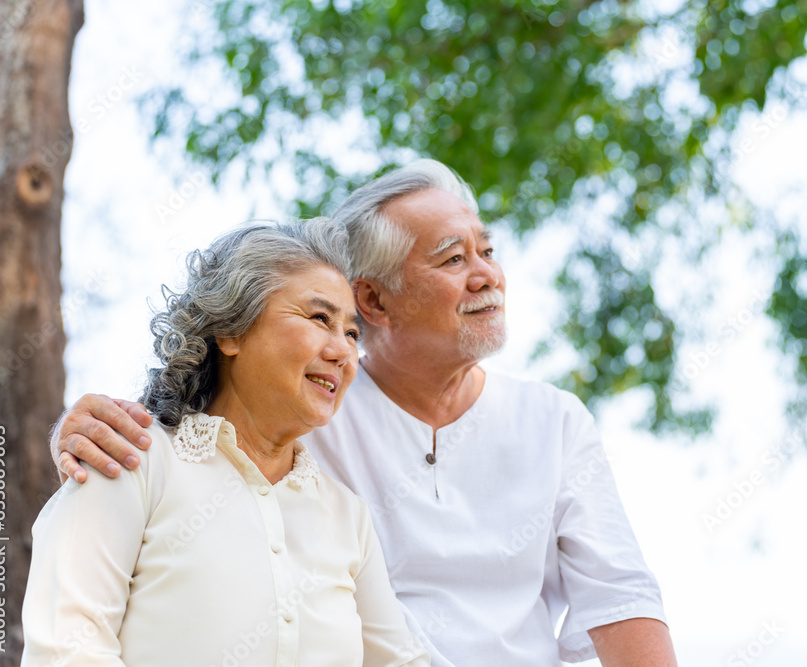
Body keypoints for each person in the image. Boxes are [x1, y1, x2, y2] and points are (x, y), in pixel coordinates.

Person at [51, 160, 678, 666]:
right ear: (376, 299)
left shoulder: (554, 422)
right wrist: (78, 430)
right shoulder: (310, 413)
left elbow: (618, 597)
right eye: (454, 259)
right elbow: (196, 423)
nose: (487, 275)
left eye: (487, 251)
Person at [24, 219, 429, 666]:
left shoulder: (348, 517)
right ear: (231, 331)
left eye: (352, 333)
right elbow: (66, 649)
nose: (344, 352)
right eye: (319, 318)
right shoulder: (128, 458)